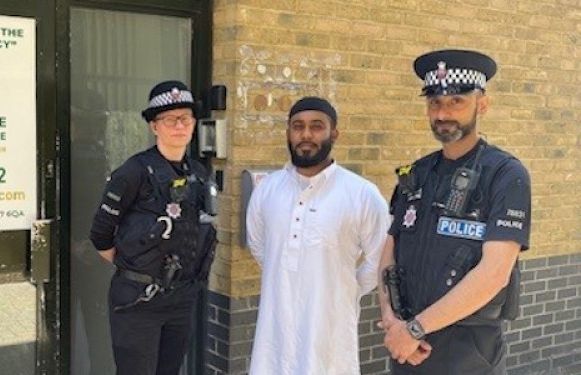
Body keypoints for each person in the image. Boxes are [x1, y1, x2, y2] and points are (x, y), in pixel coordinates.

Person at [377, 49, 532, 375]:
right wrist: (392, 322)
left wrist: (415, 329)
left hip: (469, 356)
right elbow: (389, 253)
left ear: (482, 104)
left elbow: (494, 275)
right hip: (407, 352)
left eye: (456, 102)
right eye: (435, 103)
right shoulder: (416, 173)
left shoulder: (505, 174)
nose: (443, 113)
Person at [246, 97, 390, 374]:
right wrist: (290, 276)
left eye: (317, 126)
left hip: (330, 331)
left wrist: (343, 288)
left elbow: (380, 258)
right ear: (288, 132)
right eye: (298, 126)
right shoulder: (267, 190)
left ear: (334, 133)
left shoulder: (361, 193)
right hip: (275, 327)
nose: (306, 135)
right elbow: (259, 246)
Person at [89, 80, 218, 375]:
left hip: (180, 300)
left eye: (185, 118)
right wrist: (133, 269)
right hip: (138, 302)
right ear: (154, 126)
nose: (179, 125)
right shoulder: (134, 171)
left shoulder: (198, 173)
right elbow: (100, 234)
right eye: (169, 119)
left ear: (194, 123)